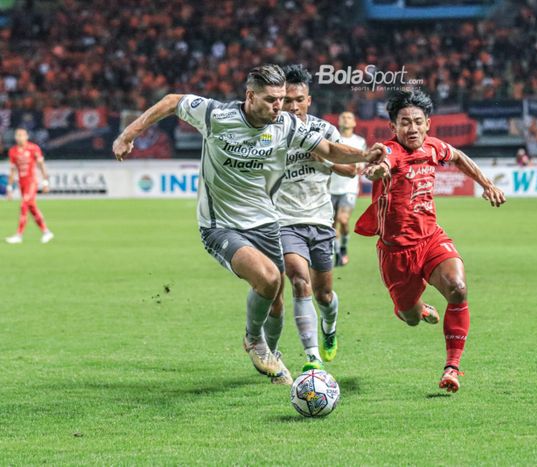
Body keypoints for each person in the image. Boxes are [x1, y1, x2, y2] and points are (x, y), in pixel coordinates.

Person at [112, 64, 385, 382]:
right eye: (271, 99)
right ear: (250, 96)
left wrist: (365, 157)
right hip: (221, 224)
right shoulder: (216, 115)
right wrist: (128, 135)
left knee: (277, 302)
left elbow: (328, 149)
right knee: (269, 279)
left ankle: (272, 352)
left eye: (281, 98)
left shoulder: (286, 125)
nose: (279, 106)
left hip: (267, 223)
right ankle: (254, 339)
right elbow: (173, 100)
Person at [356, 90, 506, 393]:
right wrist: (375, 170)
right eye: (404, 123)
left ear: (428, 125)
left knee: (458, 289)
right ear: (393, 128)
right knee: (410, 318)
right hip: (396, 253)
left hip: (431, 239)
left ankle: (452, 367)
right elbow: (382, 164)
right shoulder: (391, 150)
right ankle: (416, 307)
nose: (411, 128)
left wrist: (487, 184)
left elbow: (460, 157)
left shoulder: (434, 148)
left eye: (417, 122)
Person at [270, 65, 357, 379]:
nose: (293, 106)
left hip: (320, 221)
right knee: (297, 279)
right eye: (288, 99)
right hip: (285, 219)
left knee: (324, 295)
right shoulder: (272, 131)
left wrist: (326, 158)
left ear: (309, 100)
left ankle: (329, 326)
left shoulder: (325, 131)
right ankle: (312, 358)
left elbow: (351, 170)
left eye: (299, 99)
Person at [329, 111, 366, 267]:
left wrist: (352, 164)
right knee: (331, 225)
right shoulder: (332, 138)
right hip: (329, 188)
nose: (345, 119)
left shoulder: (359, 141)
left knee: (343, 220)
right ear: (338, 121)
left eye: (349, 117)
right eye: (343, 117)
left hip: (348, 188)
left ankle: (343, 248)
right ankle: (337, 252)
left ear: (354, 123)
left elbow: (361, 164)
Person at [5, 128, 54, 244]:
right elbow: (12, 171)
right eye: (17, 135)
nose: (19, 137)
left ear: (27, 136)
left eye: (22, 135)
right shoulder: (13, 151)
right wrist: (9, 187)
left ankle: (19, 235)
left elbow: (41, 165)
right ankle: (46, 232)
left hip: (31, 182)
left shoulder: (34, 148)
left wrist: (45, 182)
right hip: (22, 183)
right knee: (32, 208)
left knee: (23, 206)